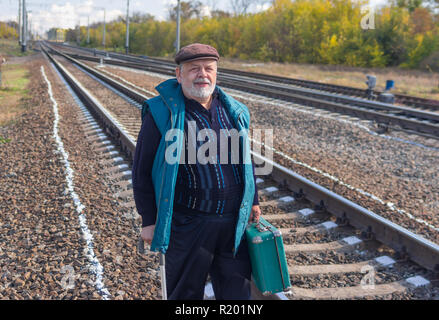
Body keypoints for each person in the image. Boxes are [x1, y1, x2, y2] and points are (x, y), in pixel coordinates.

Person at [132, 43, 261, 300]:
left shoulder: (233, 111)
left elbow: (245, 160)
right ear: (179, 75)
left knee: (237, 293)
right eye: (194, 69)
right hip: (188, 223)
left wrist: (254, 201)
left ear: (216, 73)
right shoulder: (161, 113)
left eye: (208, 69)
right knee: (185, 295)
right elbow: (141, 170)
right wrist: (149, 219)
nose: (202, 74)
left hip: (233, 223)